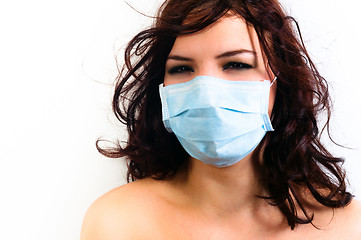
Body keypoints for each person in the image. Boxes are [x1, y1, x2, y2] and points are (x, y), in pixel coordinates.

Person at [81, 0, 361, 239]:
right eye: (181, 68)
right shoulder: (116, 223)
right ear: (161, 88)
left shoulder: (347, 227)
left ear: (281, 82)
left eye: (236, 64)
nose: (207, 91)